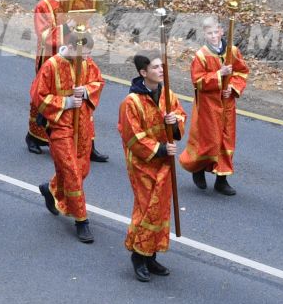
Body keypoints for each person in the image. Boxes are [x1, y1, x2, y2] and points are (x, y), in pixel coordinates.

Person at [118, 54, 186, 282]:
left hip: (164, 164)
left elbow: (181, 116)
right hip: (142, 164)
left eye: (161, 66)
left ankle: (151, 253)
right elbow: (132, 136)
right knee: (147, 207)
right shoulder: (132, 102)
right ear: (143, 73)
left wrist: (174, 122)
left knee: (160, 208)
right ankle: (138, 255)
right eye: (155, 67)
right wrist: (160, 149)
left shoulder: (169, 96)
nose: (160, 70)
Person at [32, 29, 103, 241]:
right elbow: (39, 96)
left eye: (89, 55)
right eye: (84, 54)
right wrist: (67, 102)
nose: (87, 59)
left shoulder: (86, 63)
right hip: (60, 126)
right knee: (71, 171)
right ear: (71, 47)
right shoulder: (51, 66)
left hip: (82, 125)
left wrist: (88, 90)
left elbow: (98, 81)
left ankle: (51, 188)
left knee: (81, 169)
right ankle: (82, 220)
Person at [181, 18, 249, 196]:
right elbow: (198, 81)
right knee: (208, 140)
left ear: (221, 31)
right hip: (208, 105)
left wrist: (232, 88)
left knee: (226, 140)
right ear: (205, 34)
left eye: (215, 32)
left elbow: (241, 72)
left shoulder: (232, 51)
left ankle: (222, 179)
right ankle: (198, 169)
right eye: (209, 33)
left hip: (227, 105)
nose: (213, 36)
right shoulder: (201, 55)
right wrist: (219, 75)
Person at [25, 0, 68, 154]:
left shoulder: (75, 3)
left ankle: (86, 143)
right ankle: (34, 136)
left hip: (73, 57)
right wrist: (68, 27)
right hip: (49, 58)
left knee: (77, 98)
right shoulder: (44, 5)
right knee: (44, 96)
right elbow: (45, 35)